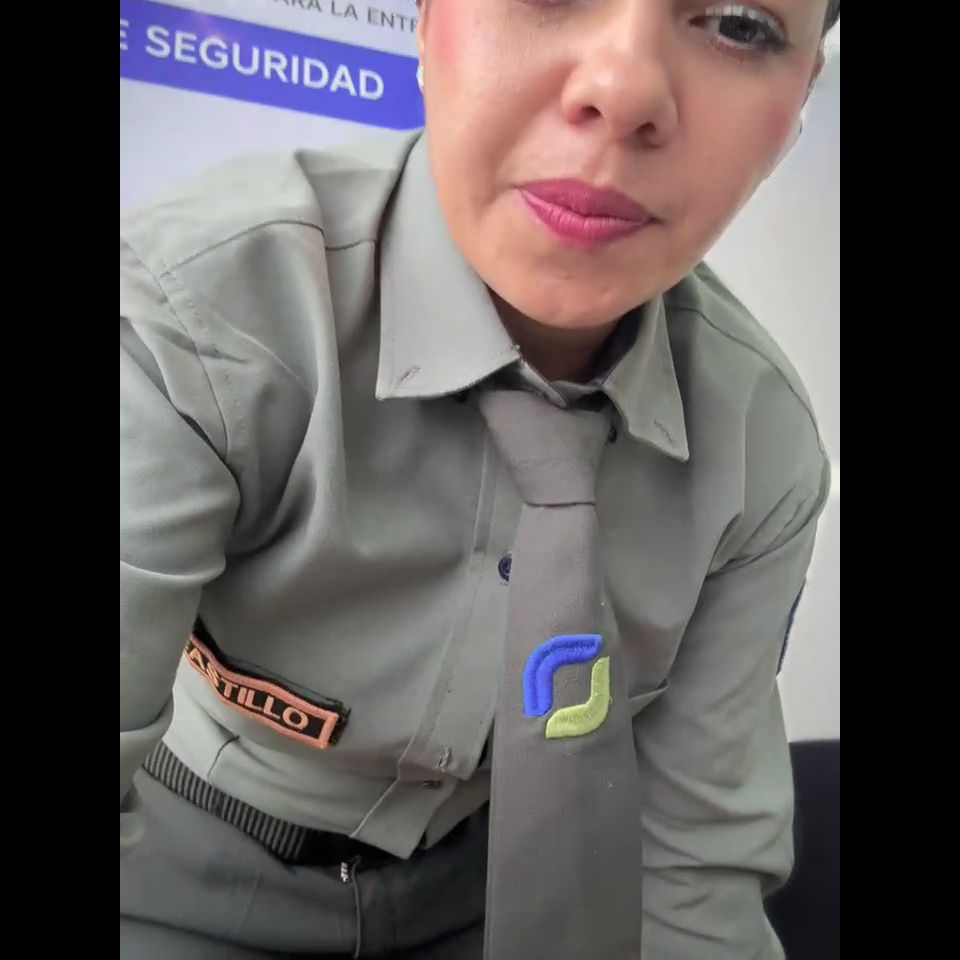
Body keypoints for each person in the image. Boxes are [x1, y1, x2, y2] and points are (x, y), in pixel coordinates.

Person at [120, 1, 840, 957]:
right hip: (172, 870)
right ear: (426, 18)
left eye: (741, 24)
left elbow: (692, 871)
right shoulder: (198, 314)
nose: (624, 89)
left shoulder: (762, 447)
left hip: (500, 892)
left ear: (799, 106)